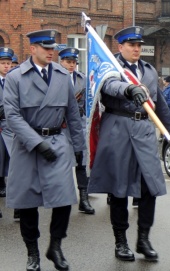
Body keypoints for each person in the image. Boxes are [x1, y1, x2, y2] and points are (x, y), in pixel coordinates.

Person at [87, 26, 170, 262]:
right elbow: (108, 86)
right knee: (119, 190)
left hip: (144, 130)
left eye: (139, 45)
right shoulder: (111, 67)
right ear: (120, 47)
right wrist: (129, 88)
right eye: (132, 45)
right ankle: (121, 242)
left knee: (149, 187)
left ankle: (143, 239)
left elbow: (159, 103)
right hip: (119, 129)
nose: (137, 49)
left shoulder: (148, 70)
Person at [4, 29, 85, 271]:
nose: (52, 52)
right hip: (27, 146)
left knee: (63, 200)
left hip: (57, 142)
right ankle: (32, 253)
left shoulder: (62, 75)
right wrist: (36, 142)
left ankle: (56, 246)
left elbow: (72, 113)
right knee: (28, 204)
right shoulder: (16, 77)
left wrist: (79, 148)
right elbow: (12, 116)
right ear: (33, 49)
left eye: (54, 48)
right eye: (46, 48)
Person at [59, 47, 95, 215]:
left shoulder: (83, 79)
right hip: (61, 126)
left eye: (74, 62)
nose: (71, 65)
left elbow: (89, 101)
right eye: (68, 62)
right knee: (63, 163)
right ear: (61, 62)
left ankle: (84, 198)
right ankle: (62, 198)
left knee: (81, 160)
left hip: (79, 125)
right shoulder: (55, 78)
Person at [0, 47, 13, 200]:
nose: (6, 66)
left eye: (8, 63)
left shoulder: (14, 80)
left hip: (11, 126)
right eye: (3, 63)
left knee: (12, 159)